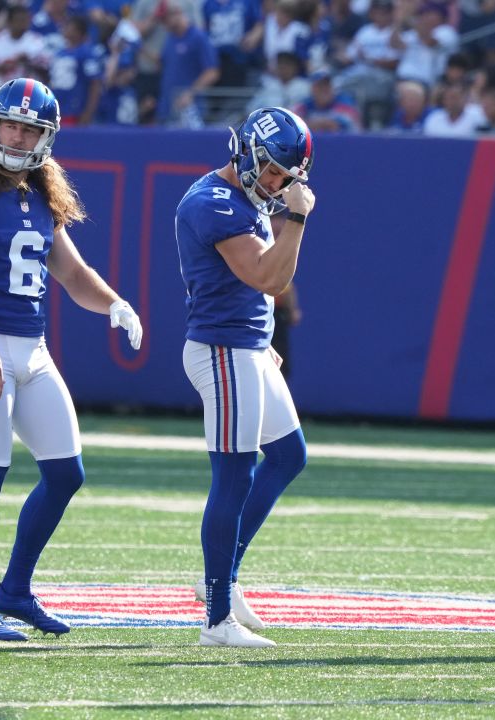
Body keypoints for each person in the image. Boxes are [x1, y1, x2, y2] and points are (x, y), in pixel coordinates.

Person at [0, 78, 144, 642]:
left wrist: (115, 304)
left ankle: (14, 591)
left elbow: (72, 273)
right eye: (8, 122)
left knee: (65, 471)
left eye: (28, 127)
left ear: (45, 137)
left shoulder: (39, 193)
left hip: (32, 347)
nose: (15, 134)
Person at [175, 107, 314, 648]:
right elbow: (266, 276)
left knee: (288, 455)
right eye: (276, 171)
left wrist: (264, 342)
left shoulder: (243, 197)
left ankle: (223, 582)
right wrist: (297, 220)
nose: (279, 184)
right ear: (250, 155)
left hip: (247, 347)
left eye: (289, 176)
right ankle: (216, 618)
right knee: (232, 478)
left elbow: (255, 291)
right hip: (222, 350)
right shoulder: (213, 202)